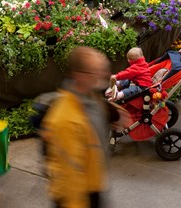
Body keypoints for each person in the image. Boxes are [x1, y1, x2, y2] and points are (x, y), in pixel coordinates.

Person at [42, 46, 127, 208]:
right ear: (79, 76)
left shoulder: (89, 96)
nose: (103, 75)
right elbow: (70, 177)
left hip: (94, 182)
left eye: (103, 69)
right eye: (96, 71)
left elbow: (97, 107)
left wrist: (116, 113)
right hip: (78, 197)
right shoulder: (65, 120)